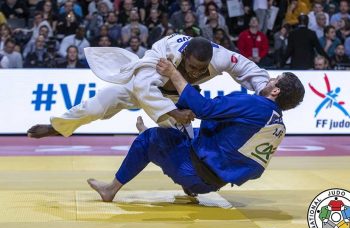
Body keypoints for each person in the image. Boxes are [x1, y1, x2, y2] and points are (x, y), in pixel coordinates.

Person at [87, 57, 305, 201]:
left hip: (193, 173)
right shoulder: (277, 124)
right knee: (192, 129)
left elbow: (203, 108)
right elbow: (248, 163)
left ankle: (110, 190)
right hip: (213, 183)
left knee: (149, 140)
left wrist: (174, 73)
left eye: (274, 79)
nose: (269, 78)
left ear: (275, 91)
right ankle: (188, 182)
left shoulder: (255, 105)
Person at [27, 35, 269, 139]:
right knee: (96, 106)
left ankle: (191, 181)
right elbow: (144, 89)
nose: (196, 72)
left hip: (176, 98)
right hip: (141, 88)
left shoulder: (221, 57)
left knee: (185, 140)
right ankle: (58, 127)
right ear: (184, 54)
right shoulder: (164, 51)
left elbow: (249, 70)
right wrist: (174, 113)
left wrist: (264, 90)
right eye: (192, 66)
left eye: (201, 68)